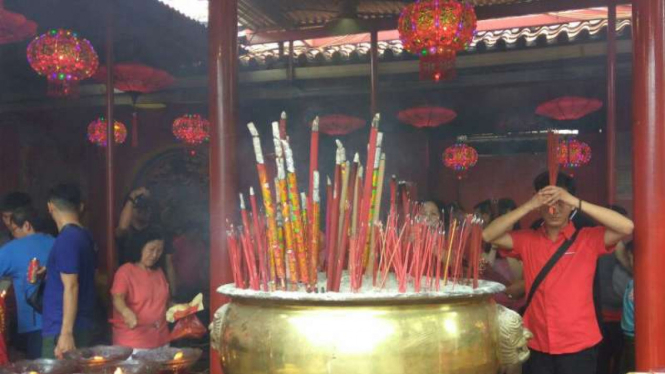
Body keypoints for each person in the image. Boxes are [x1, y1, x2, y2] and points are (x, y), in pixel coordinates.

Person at [482, 172, 634, 374]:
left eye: (561, 202)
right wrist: (530, 204)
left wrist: (572, 200)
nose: (554, 209)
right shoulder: (528, 240)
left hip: (579, 344)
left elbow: (627, 226)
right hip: (537, 342)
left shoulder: (587, 239)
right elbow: (488, 234)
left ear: (571, 204)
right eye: (548, 202)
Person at [41, 184, 97, 359]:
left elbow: (71, 285)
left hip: (63, 328)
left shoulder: (67, 239)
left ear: (50, 206)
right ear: (79, 206)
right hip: (80, 324)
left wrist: (66, 333)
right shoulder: (84, 235)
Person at [0, 207, 53, 359]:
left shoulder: (13, 248)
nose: (14, 235)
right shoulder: (55, 242)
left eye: (14, 230)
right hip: (63, 319)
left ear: (27, 225)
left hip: (34, 325)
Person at [111, 227, 170, 351]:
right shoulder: (126, 271)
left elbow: (163, 303)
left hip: (161, 340)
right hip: (133, 343)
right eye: (151, 249)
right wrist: (126, 311)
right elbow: (117, 298)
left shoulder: (159, 272)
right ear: (140, 247)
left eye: (159, 251)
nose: (155, 255)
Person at [116, 187, 177, 297]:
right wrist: (132, 197)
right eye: (139, 207)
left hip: (155, 286)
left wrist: (173, 294)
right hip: (130, 286)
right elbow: (122, 227)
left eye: (147, 207)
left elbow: (169, 264)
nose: (144, 210)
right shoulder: (127, 233)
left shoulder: (159, 233)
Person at [596, 206, 632, 374]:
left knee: (619, 363)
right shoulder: (592, 245)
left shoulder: (627, 249)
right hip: (600, 317)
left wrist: (622, 253)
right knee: (601, 363)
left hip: (621, 318)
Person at [619, 241, 635, 374]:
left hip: (637, 336)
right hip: (628, 335)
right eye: (630, 258)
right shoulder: (634, 280)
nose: (631, 262)